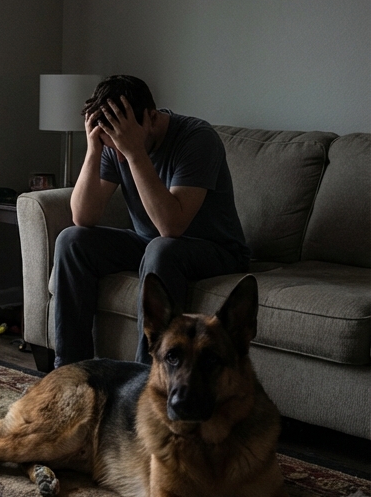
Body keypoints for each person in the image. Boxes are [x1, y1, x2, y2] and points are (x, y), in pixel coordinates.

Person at [52, 74, 249, 367]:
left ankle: (144, 378)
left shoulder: (197, 139)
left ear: (152, 118)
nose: (117, 153)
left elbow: (171, 226)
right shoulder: (113, 142)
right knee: (72, 240)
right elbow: (83, 216)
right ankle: (70, 371)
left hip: (216, 250)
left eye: (121, 143)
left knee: (161, 248)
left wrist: (134, 152)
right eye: (110, 142)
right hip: (151, 243)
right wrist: (94, 150)